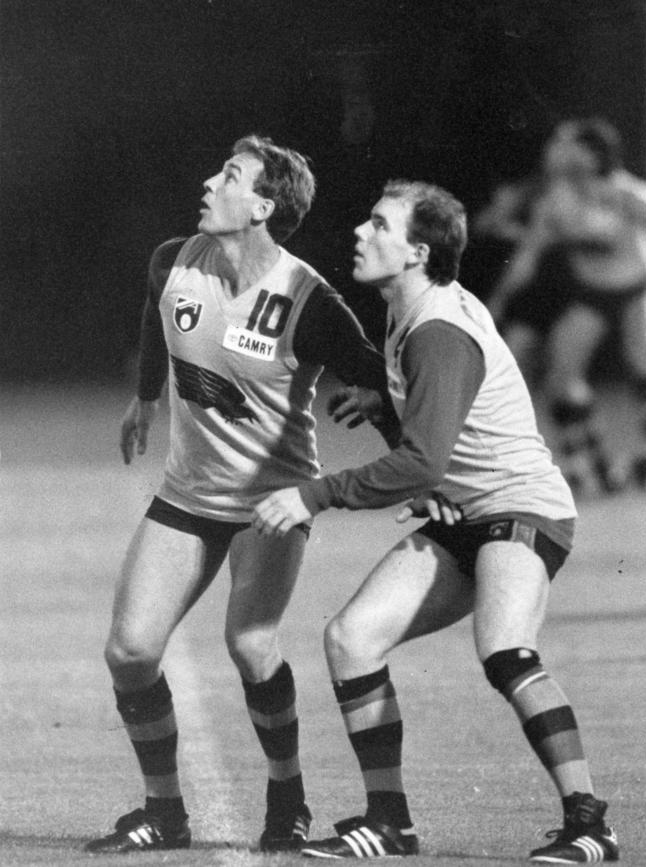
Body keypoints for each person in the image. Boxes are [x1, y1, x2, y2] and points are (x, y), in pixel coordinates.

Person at [253, 179, 619, 862]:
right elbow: (431, 443)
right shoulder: (410, 308)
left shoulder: (437, 332)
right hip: (465, 510)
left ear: (418, 251)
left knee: (506, 650)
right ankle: (390, 822)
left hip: (521, 507)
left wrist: (313, 493)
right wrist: (385, 407)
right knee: (352, 637)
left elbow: (421, 463)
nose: (362, 233)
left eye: (380, 224)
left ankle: (591, 824)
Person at [85, 134, 401, 855]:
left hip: (271, 498)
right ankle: (164, 813)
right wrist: (144, 398)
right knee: (131, 651)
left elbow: (376, 376)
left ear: (263, 205)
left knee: (250, 642)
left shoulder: (307, 298)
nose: (208, 180)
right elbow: (156, 313)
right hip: (190, 493)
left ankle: (287, 794)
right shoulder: (173, 260)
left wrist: (418, 472)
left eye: (229, 175)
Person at [474, 118, 646, 495]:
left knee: (645, 371)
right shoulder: (557, 201)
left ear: (592, 155)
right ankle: (592, 468)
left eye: (572, 145)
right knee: (561, 378)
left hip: (637, 290)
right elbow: (528, 256)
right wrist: (498, 302)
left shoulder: (628, 193)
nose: (561, 149)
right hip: (592, 296)